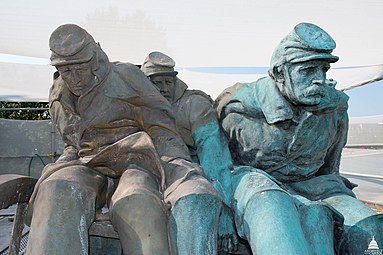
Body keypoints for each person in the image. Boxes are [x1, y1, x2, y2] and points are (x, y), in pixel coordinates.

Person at [26, 24, 221, 255]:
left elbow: (162, 128)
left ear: (95, 60)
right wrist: (64, 162)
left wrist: (177, 163)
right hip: (86, 163)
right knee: (57, 190)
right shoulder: (59, 93)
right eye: (67, 72)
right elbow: (72, 143)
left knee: (137, 201)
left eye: (80, 69)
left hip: (135, 159)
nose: (75, 79)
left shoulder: (126, 76)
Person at [215, 22, 382, 254]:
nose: (319, 79)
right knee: (276, 221)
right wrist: (222, 211)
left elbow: (331, 168)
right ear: (279, 73)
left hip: (315, 186)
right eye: (307, 71)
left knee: (370, 226)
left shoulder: (335, 107)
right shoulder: (237, 106)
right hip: (257, 186)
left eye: (323, 70)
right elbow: (217, 165)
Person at [141, 52, 237, 252]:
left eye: (169, 81)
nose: (164, 89)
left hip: (188, 173)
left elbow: (214, 157)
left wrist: (225, 211)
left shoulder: (195, 104)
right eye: (157, 82)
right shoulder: (133, 104)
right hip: (145, 174)